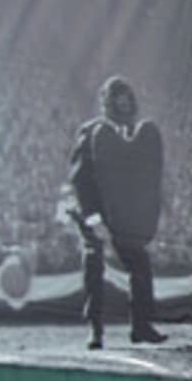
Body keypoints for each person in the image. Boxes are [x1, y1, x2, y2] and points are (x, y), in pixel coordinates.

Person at [64, 75, 167, 349]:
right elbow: (80, 178)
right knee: (94, 264)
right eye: (118, 101)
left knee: (140, 264)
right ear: (107, 103)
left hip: (124, 218)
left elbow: (146, 181)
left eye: (127, 101)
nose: (124, 106)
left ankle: (141, 325)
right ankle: (95, 328)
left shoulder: (138, 134)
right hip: (95, 212)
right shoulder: (92, 131)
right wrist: (94, 218)